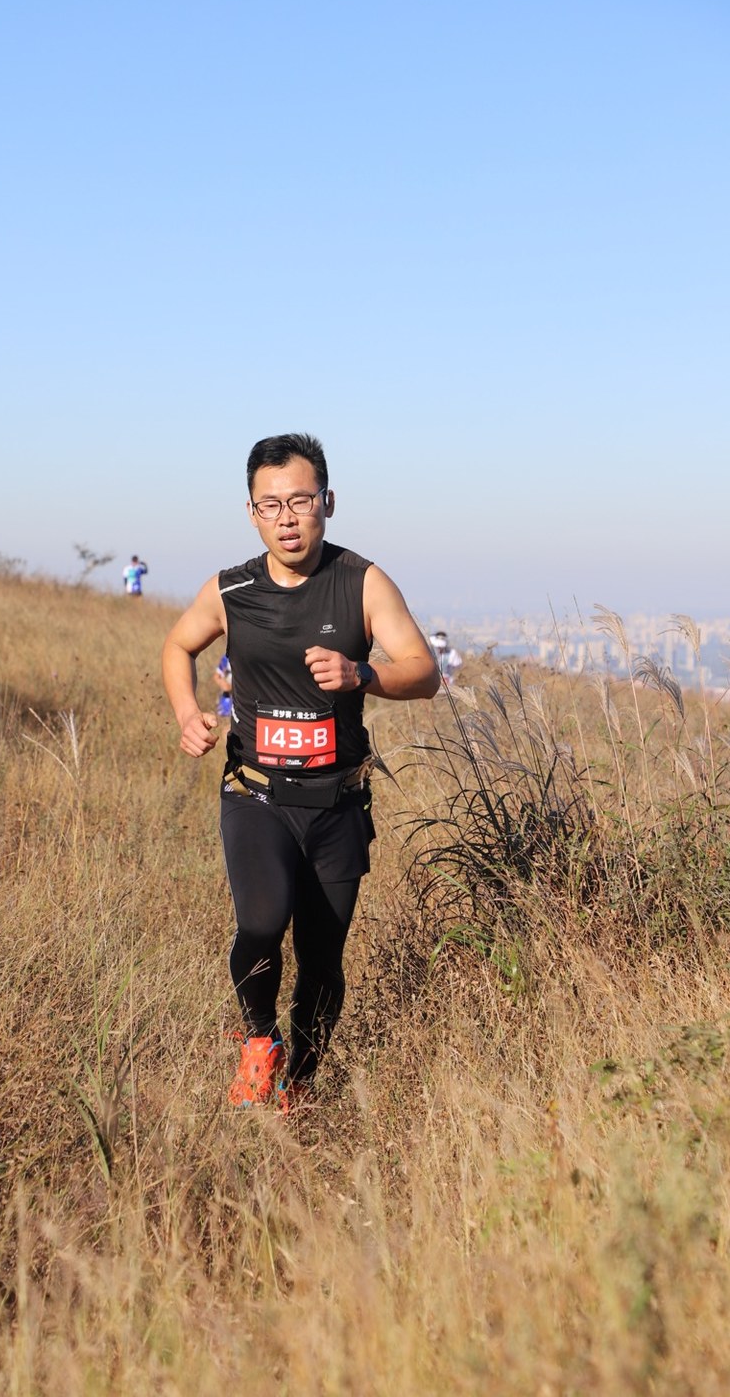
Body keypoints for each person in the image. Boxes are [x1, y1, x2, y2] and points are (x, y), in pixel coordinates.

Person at [161, 433, 439, 1111]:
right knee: (261, 924)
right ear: (251, 512)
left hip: (338, 802)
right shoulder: (231, 589)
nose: (286, 518)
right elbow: (178, 644)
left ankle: (301, 1085)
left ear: (327, 502)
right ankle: (259, 1045)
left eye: (300, 501)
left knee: (321, 957)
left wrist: (361, 673)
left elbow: (424, 672)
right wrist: (188, 713)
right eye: (271, 505)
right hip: (256, 795)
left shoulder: (362, 582)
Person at [213, 653, 233, 723]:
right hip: (226, 698)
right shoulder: (226, 658)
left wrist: (233, 687)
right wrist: (223, 684)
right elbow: (216, 676)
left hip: (241, 698)